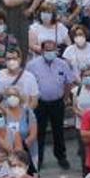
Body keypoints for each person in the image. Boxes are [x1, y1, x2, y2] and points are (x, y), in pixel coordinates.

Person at [28, 40, 76, 170]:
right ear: (42, 51)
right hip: (40, 103)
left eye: (53, 50)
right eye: (47, 50)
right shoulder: (32, 65)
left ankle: (61, 156)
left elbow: (68, 82)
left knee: (58, 130)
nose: (50, 52)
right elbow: (28, 84)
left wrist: (65, 99)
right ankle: (39, 158)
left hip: (57, 102)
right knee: (39, 132)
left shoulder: (63, 64)